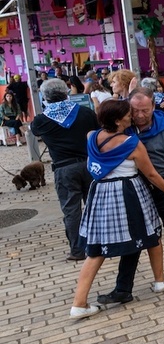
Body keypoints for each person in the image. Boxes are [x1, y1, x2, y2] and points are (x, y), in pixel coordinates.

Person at [69, 100, 164, 319]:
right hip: (128, 193)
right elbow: (152, 174)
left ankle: (79, 302)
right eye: (127, 114)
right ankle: (159, 280)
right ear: (117, 120)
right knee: (152, 234)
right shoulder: (132, 144)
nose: (131, 117)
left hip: (100, 195)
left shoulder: (91, 137)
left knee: (96, 250)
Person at [98, 87, 164, 304]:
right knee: (134, 237)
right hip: (137, 187)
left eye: (145, 110)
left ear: (154, 106)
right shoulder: (123, 127)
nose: (140, 116)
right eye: (135, 111)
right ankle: (122, 288)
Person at [30, 79, 98, 261]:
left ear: (45, 97)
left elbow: (34, 131)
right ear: (66, 92)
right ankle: (100, 244)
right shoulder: (85, 112)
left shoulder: (41, 121)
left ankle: (77, 250)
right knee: (94, 205)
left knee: (71, 210)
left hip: (64, 168)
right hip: (90, 164)